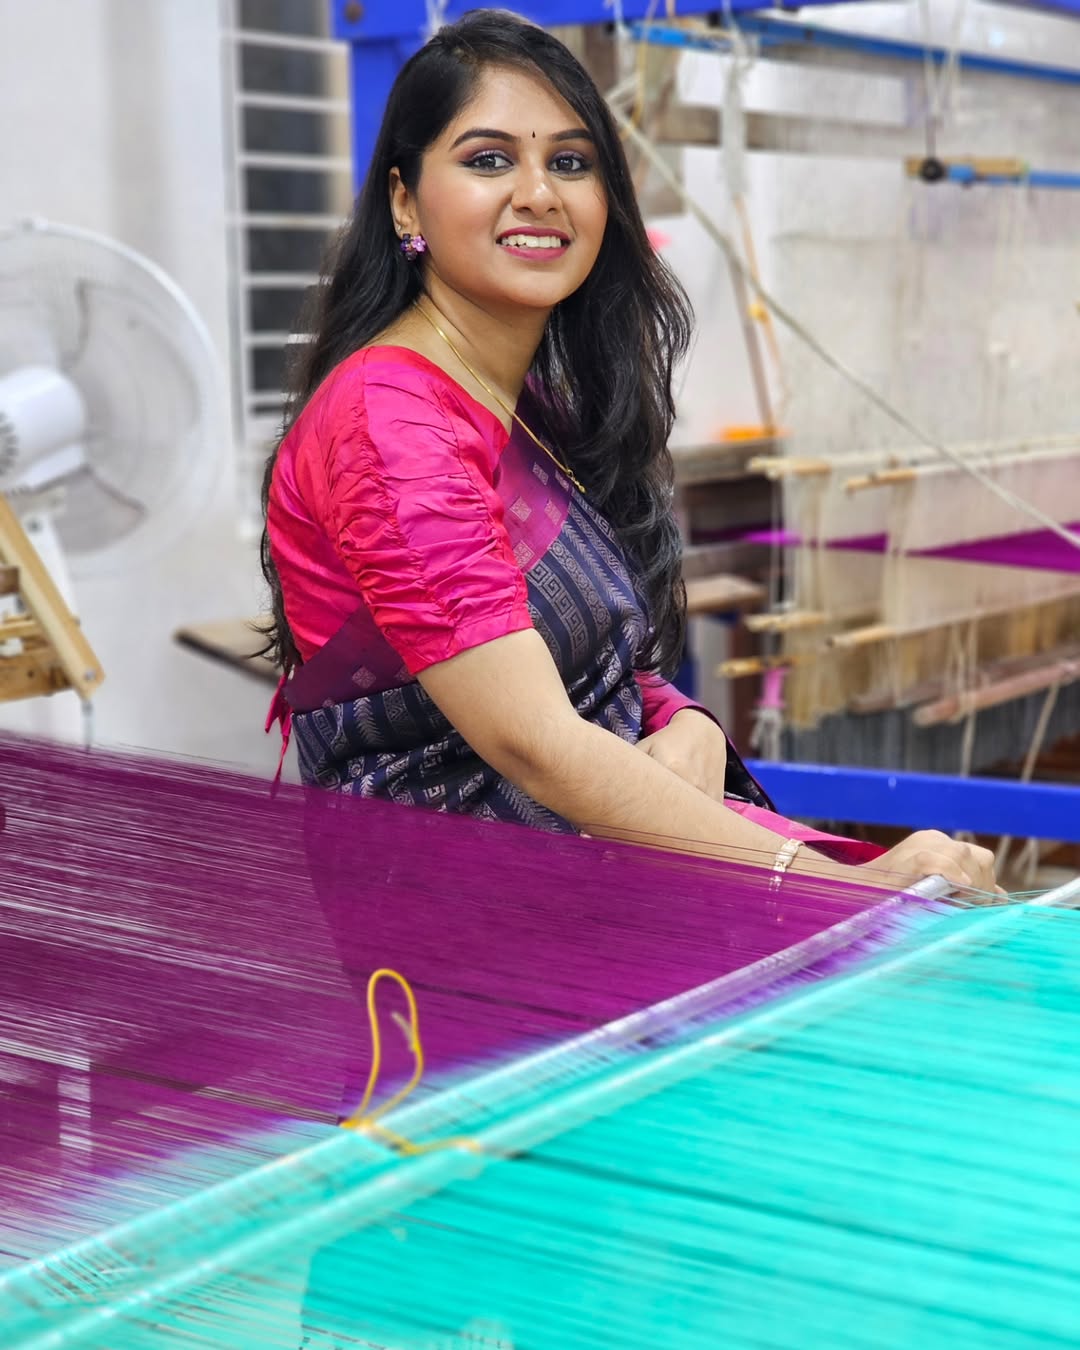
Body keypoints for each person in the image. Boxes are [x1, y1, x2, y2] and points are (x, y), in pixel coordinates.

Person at [262, 8, 997, 897]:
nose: (539, 192)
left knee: (950, 896)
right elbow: (531, 735)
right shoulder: (391, 422)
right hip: (477, 928)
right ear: (404, 198)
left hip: (594, 870)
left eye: (570, 162)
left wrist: (683, 720)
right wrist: (818, 883)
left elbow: (595, 660)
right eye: (489, 158)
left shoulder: (530, 403)